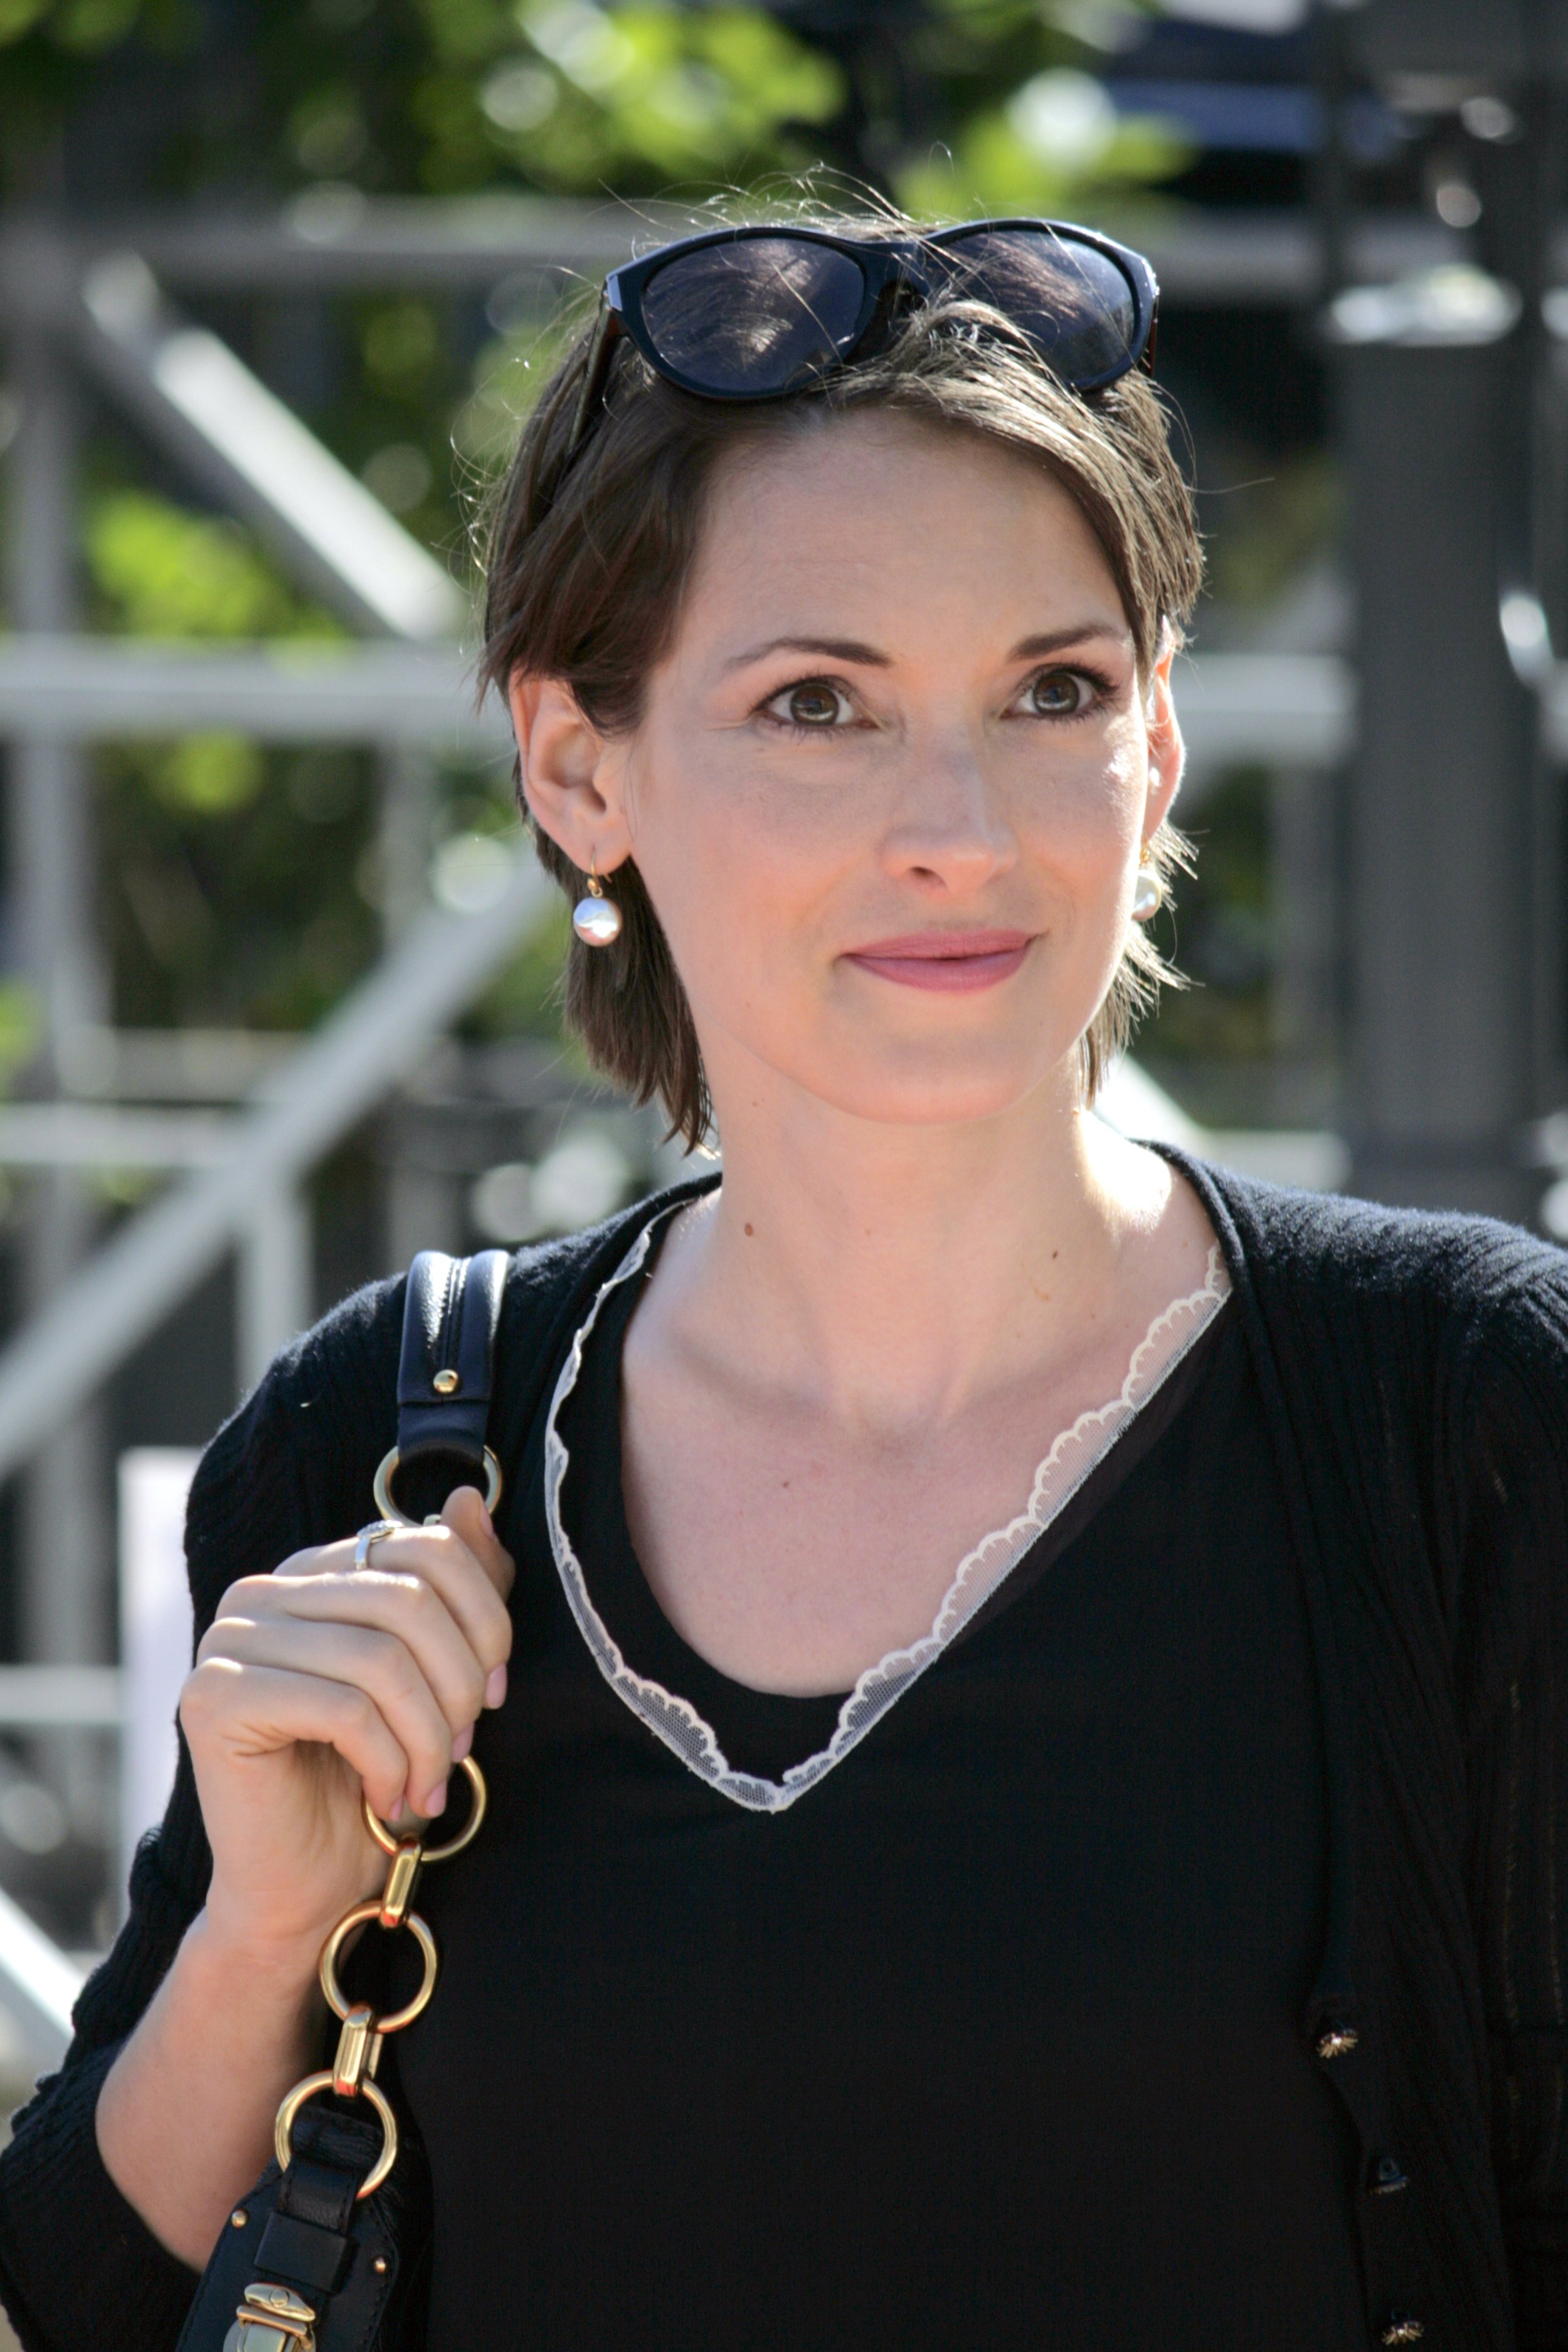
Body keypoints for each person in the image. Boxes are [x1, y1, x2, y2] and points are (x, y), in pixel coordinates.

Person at [0, 207, 1563, 2352]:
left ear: (1160, 746)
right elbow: (94, 2300)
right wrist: (271, 1925)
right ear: (577, 767)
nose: (960, 823)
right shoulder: (381, 1441)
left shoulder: (1462, 1415)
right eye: (817, 703)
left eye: (1053, 691)